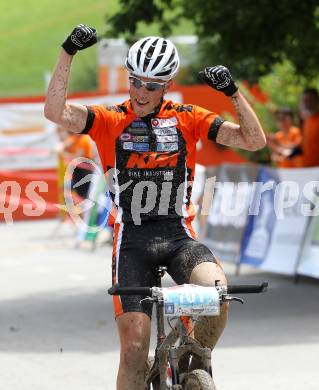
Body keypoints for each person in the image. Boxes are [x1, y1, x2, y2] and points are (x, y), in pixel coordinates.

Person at [44, 25, 266, 390]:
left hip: (179, 235)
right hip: (132, 240)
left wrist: (232, 92)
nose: (141, 91)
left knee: (218, 293)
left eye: (151, 85)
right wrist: (67, 51)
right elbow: (55, 111)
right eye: (135, 81)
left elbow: (254, 141)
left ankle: (192, 356)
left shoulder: (188, 116)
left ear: (167, 85)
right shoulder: (110, 119)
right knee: (133, 349)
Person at [298, 88, 319, 167]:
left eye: (310, 100)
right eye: (305, 101)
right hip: (307, 168)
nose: (307, 104)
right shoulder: (307, 121)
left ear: (317, 101)